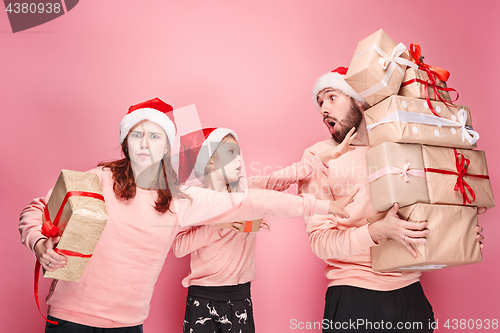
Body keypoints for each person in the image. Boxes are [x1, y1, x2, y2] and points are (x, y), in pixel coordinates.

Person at [19, 98, 351, 333]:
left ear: (167, 147)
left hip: (127, 324)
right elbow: (37, 210)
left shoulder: (180, 199)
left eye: (155, 135)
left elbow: (257, 200)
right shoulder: (99, 178)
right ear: (125, 143)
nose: (145, 143)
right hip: (69, 318)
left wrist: (320, 206)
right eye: (137, 134)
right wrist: (38, 243)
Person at [298, 67, 485, 332]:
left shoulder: (400, 147)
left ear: (359, 100)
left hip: (411, 294)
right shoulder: (316, 157)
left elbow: (425, 212)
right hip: (355, 295)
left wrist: (459, 231)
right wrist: (377, 231)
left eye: (331, 97)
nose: (323, 110)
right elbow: (320, 242)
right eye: (319, 103)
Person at [172, 126, 358, 333]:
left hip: (239, 297)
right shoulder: (195, 199)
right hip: (202, 298)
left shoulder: (246, 190)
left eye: (239, 153)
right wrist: (219, 226)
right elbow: (179, 247)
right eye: (231, 153)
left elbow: (280, 178)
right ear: (211, 159)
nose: (240, 159)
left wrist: (326, 156)